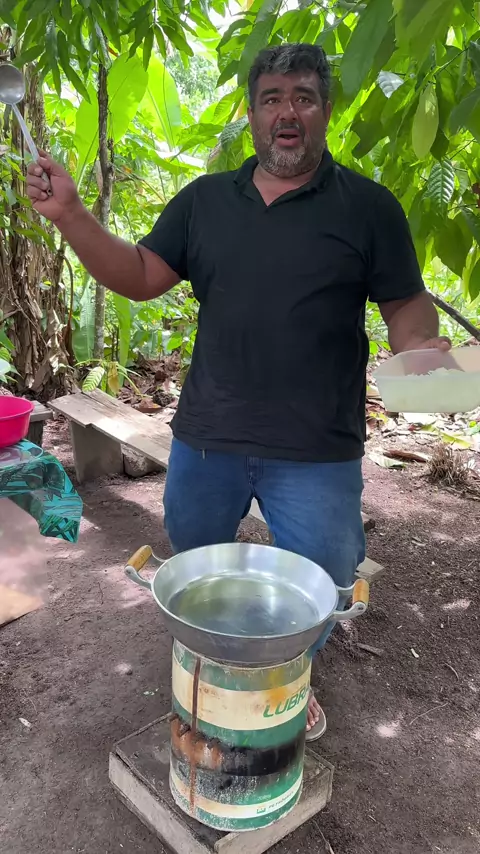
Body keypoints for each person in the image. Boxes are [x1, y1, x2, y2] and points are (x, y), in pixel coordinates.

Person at [26, 43, 450, 739]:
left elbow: (405, 303)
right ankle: (215, 671)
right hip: (208, 439)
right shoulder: (204, 202)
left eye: (303, 97)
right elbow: (141, 275)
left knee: (324, 584)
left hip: (317, 448)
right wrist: (71, 215)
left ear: (325, 111)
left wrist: (422, 349)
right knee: (196, 570)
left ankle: (287, 679)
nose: (287, 112)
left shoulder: (369, 208)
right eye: (272, 98)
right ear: (251, 114)